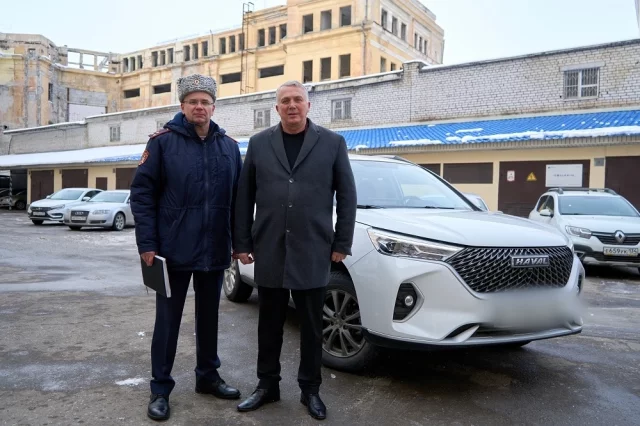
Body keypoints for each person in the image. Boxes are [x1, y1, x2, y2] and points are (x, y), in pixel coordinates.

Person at [233, 80, 357, 420]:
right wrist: (242, 243)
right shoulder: (259, 143)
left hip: (314, 249)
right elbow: (244, 196)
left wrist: (342, 242)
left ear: (308, 105)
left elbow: (347, 196)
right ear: (276, 108)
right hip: (270, 247)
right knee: (269, 325)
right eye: (285, 100)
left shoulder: (332, 143)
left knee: (312, 327)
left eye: (297, 100)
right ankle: (267, 386)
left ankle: (310, 390)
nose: (291, 105)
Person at [130, 74, 243, 421]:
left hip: (214, 248)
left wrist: (240, 244)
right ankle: (160, 388)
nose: (199, 107)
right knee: (167, 322)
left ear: (214, 107)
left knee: (209, 319)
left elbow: (239, 201)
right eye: (193, 101)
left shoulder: (229, 147)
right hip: (171, 250)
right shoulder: (162, 143)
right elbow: (142, 195)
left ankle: (207, 377)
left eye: (205, 101)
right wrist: (147, 243)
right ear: (182, 106)